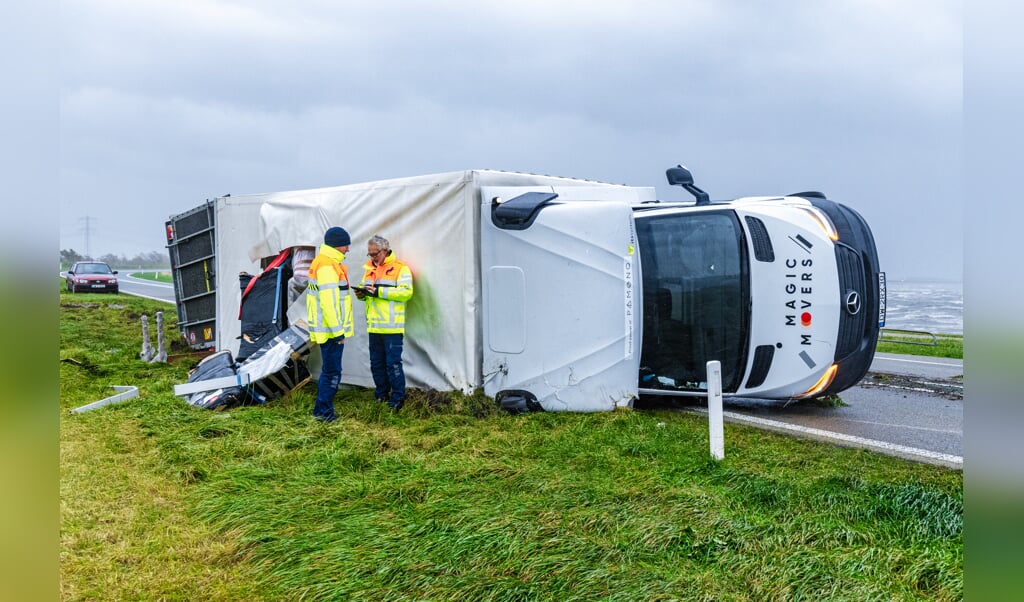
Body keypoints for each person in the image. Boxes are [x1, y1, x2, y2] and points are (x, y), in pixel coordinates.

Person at [354, 235, 414, 411]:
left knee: (393, 364)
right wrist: (362, 295)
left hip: (392, 327)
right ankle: (381, 395)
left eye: (375, 254)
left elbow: (406, 293)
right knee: (376, 364)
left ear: (385, 250)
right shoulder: (369, 269)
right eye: (370, 254)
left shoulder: (400, 268)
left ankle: (397, 399)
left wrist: (379, 292)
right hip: (374, 326)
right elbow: (370, 294)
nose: (372, 258)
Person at [306, 226, 354, 422]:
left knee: (329, 370)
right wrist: (338, 333)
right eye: (346, 245)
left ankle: (322, 410)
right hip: (331, 331)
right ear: (337, 245)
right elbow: (329, 303)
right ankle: (323, 413)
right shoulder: (327, 266)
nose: (348, 250)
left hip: (325, 329)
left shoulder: (325, 262)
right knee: (332, 372)